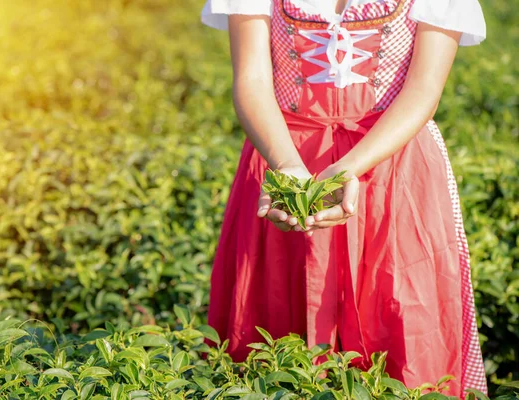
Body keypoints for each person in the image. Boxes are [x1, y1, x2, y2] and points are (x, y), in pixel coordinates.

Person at [199, 0, 488, 397]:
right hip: (285, 158)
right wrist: (287, 167)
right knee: (276, 337)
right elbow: (251, 80)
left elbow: (423, 90)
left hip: (392, 167)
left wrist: (349, 167)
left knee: (399, 317)